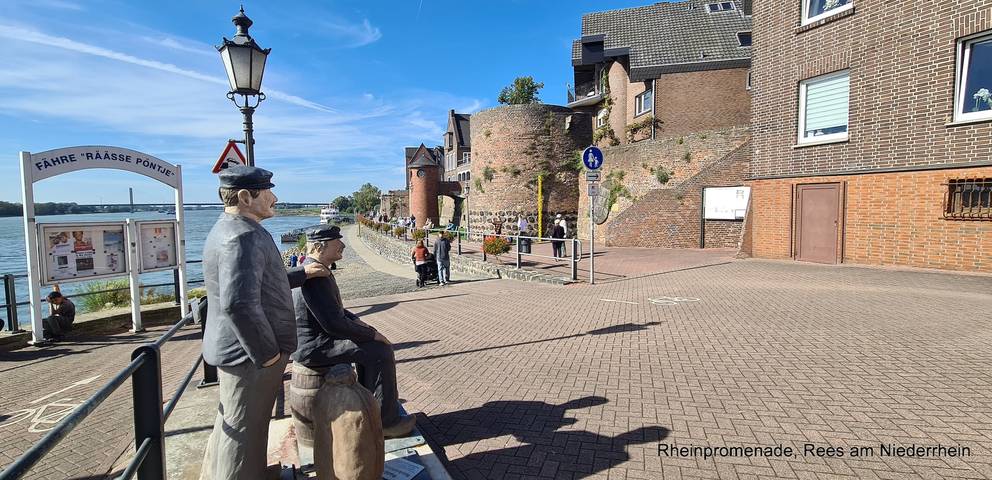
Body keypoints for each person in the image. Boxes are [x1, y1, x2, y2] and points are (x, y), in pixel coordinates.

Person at [199, 165, 331, 480]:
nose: (275, 197)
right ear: (245, 197)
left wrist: (302, 274)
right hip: (251, 355)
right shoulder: (242, 236)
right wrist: (268, 353)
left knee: (231, 422)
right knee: (247, 427)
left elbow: (259, 284)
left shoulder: (226, 229)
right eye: (268, 191)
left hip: (239, 351)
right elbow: (238, 303)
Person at [292, 225, 416, 438]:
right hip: (316, 347)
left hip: (317, 341)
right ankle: (387, 422)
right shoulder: (315, 277)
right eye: (336, 242)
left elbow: (336, 311)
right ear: (320, 247)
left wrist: (358, 322)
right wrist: (371, 335)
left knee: (371, 348)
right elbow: (333, 324)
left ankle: (372, 408)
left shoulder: (315, 269)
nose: (342, 245)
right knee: (380, 351)